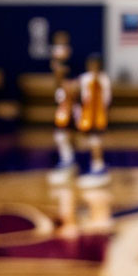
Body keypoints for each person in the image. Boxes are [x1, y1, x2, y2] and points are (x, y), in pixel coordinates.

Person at [75, 53, 111, 188]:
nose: (93, 66)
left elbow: (106, 99)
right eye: (91, 64)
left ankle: (98, 166)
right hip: (86, 113)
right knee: (89, 141)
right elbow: (79, 96)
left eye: (95, 64)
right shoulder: (84, 78)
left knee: (96, 140)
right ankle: (94, 165)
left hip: (98, 114)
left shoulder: (103, 80)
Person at [47, 30, 78, 184]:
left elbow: (66, 78)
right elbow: (56, 78)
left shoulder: (69, 67)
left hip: (69, 99)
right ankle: (67, 159)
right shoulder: (56, 63)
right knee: (60, 131)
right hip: (61, 98)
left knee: (65, 130)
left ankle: (69, 161)